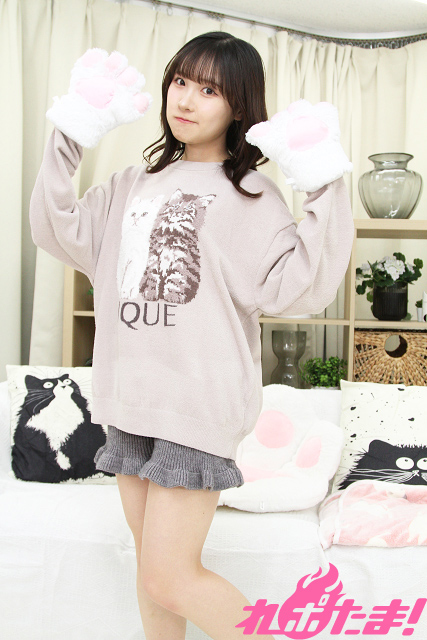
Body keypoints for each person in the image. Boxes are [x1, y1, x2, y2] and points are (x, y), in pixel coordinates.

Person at [29, 31, 354, 640]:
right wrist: (70, 132)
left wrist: (323, 184)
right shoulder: (131, 184)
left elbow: (301, 288)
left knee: (170, 575)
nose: (186, 99)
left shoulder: (252, 197)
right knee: (153, 574)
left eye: (209, 90)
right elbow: (54, 226)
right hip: (130, 400)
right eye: (180, 82)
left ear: (238, 106)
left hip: (197, 405)